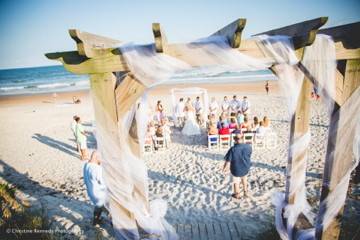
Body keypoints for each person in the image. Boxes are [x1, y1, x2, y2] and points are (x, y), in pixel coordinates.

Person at [223, 134, 252, 199]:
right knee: (244, 180)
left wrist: (225, 167)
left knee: (236, 182)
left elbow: (228, 161)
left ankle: (237, 194)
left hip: (236, 169)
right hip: (245, 167)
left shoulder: (233, 149)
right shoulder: (249, 147)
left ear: (234, 140)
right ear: (243, 138)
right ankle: (245, 192)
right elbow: (249, 155)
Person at [83, 151, 109, 225]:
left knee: (98, 206)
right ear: (97, 157)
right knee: (112, 211)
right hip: (100, 194)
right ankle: (116, 227)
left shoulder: (86, 165)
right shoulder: (97, 169)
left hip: (91, 193)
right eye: (101, 159)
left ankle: (96, 220)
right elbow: (104, 182)